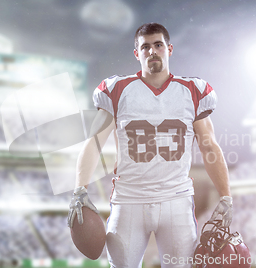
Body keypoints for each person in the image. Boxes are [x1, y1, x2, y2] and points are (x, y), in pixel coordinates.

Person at [68, 22, 232, 268]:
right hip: (129, 199)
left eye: (158, 45)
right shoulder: (117, 89)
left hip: (176, 198)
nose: (152, 51)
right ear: (137, 53)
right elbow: (94, 143)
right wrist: (79, 189)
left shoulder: (193, 91)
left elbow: (210, 147)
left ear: (169, 49)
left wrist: (226, 196)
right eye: (145, 47)